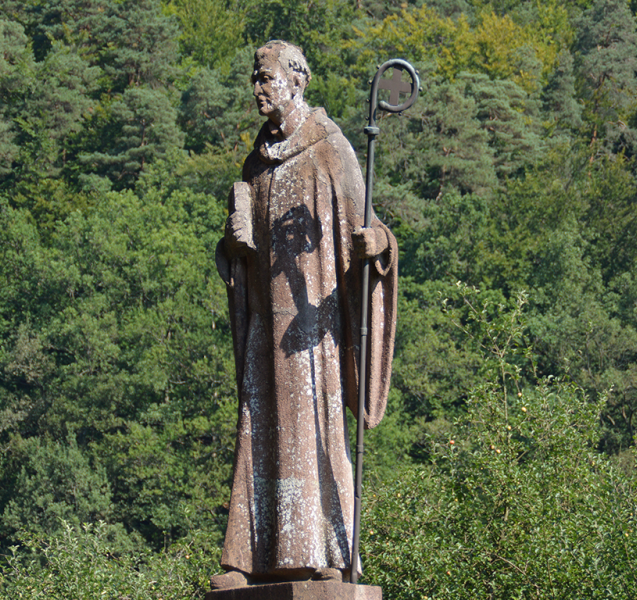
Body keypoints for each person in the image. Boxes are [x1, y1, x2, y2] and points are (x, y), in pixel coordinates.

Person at [212, 40, 398, 590]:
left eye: (266, 77)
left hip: (312, 328)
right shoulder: (255, 164)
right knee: (258, 424)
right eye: (254, 77)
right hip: (265, 325)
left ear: (296, 80)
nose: (257, 87)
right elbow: (240, 257)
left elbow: (372, 233)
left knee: (308, 427)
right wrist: (234, 246)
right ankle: (248, 556)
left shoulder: (330, 149)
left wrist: (377, 248)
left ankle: (328, 550)